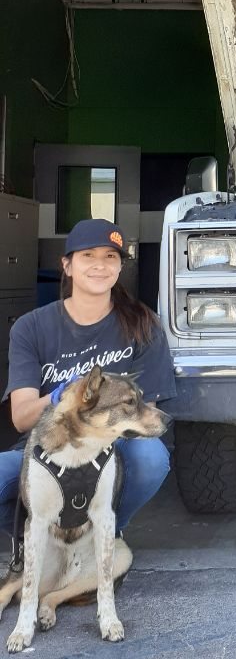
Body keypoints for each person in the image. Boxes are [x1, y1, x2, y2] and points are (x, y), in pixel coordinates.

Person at [0, 218, 176, 538]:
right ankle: (41, 540)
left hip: (110, 448)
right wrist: (64, 395)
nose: (100, 265)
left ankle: (103, 533)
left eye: (110, 257)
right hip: (48, 446)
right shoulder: (30, 327)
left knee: (150, 457)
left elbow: (144, 417)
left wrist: (94, 441)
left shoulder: (143, 324)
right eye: (88, 255)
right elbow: (22, 418)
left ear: (120, 267)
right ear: (67, 265)